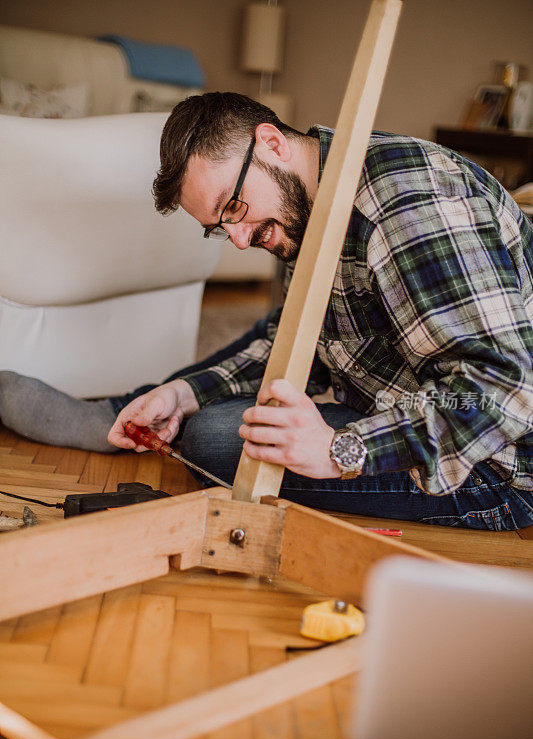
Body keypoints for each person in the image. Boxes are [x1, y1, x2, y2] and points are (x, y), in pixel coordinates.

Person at [1, 92, 532, 532]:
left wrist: (340, 449)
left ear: (271, 143)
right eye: (218, 226)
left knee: (212, 439)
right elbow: (304, 340)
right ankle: (137, 405)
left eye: (233, 208)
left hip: (495, 467)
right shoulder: (312, 200)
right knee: (247, 368)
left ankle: (142, 407)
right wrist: (186, 393)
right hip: (412, 404)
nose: (236, 240)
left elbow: (505, 389)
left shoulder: (408, 207)